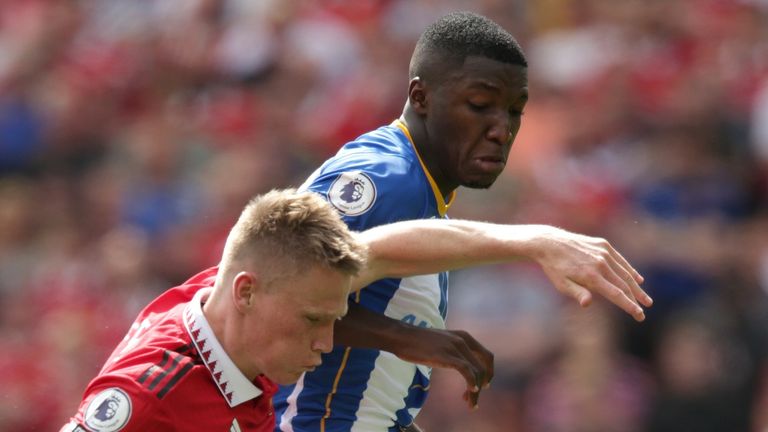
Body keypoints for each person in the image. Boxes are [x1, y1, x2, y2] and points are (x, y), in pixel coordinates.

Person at [273, 11, 653, 432]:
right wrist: (535, 241)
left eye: (514, 111)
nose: (501, 130)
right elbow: (284, 297)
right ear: (421, 98)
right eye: (479, 105)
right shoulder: (386, 178)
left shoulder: (422, 190)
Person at [60, 188, 648, 432]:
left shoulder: (239, 298)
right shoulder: (149, 397)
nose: (327, 341)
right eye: (315, 322)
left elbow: (386, 248)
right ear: (245, 293)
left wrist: (530, 242)